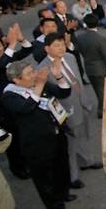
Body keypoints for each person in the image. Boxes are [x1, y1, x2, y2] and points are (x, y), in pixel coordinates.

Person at [2, 61, 74, 209]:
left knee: (61, 167)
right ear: (16, 80)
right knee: (45, 179)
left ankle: (63, 193)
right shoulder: (10, 96)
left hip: (56, 133)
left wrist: (58, 76)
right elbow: (26, 109)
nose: (34, 75)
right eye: (29, 74)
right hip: (37, 144)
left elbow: (64, 92)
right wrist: (39, 85)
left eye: (33, 71)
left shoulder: (38, 83)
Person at [40, 33, 101, 189]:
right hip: (67, 110)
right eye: (56, 45)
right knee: (70, 145)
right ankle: (72, 177)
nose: (61, 48)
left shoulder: (70, 57)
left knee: (85, 134)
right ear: (47, 48)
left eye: (62, 44)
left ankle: (87, 161)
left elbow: (78, 79)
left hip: (82, 103)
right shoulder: (43, 69)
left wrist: (85, 100)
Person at [0, 24, 33, 180]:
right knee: (12, 140)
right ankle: (17, 168)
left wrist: (21, 40)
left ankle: (27, 161)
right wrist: (12, 43)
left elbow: (27, 50)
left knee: (23, 134)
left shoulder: (7, 57)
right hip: (3, 109)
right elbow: (0, 65)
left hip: (18, 102)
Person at [75, 14, 106, 118]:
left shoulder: (80, 37)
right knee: (103, 91)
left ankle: (102, 108)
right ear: (97, 23)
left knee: (97, 90)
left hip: (88, 67)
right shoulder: (100, 39)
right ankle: (102, 110)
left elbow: (78, 51)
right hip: (100, 68)